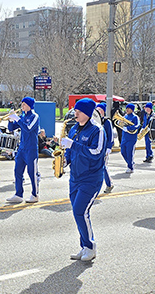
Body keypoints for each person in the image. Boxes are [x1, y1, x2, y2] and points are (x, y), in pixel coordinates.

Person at [58, 98, 105, 261]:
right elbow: (71, 152)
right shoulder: (74, 130)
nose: (75, 113)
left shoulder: (97, 130)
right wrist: (65, 161)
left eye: (78, 111)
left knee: (80, 211)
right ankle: (84, 246)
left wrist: (74, 145)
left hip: (91, 179)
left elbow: (97, 152)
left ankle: (90, 247)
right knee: (78, 213)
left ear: (87, 113)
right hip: (75, 178)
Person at [6, 97, 41, 203]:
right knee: (17, 171)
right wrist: (11, 120)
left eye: (24, 104)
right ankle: (18, 194)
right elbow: (11, 129)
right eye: (22, 104)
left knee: (32, 173)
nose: (22, 106)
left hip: (31, 149)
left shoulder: (35, 116)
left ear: (30, 105)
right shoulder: (23, 116)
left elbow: (28, 128)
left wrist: (17, 119)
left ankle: (35, 195)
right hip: (22, 148)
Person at [95, 103, 115, 194]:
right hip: (96, 148)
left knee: (103, 166)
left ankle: (109, 184)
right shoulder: (94, 121)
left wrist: (109, 147)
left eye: (100, 110)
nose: (98, 111)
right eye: (97, 110)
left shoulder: (107, 122)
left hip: (104, 148)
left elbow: (110, 136)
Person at [120, 103, 140, 174]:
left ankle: (130, 167)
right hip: (124, 137)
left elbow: (137, 125)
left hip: (131, 138)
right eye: (126, 108)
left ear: (132, 109)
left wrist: (128, 128)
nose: (127, 110)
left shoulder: (135, 117)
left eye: (128, 108)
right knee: (123, 152)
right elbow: (121, 124)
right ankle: (131, 163)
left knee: (129, 153)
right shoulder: (125, 116)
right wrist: (120, 123)